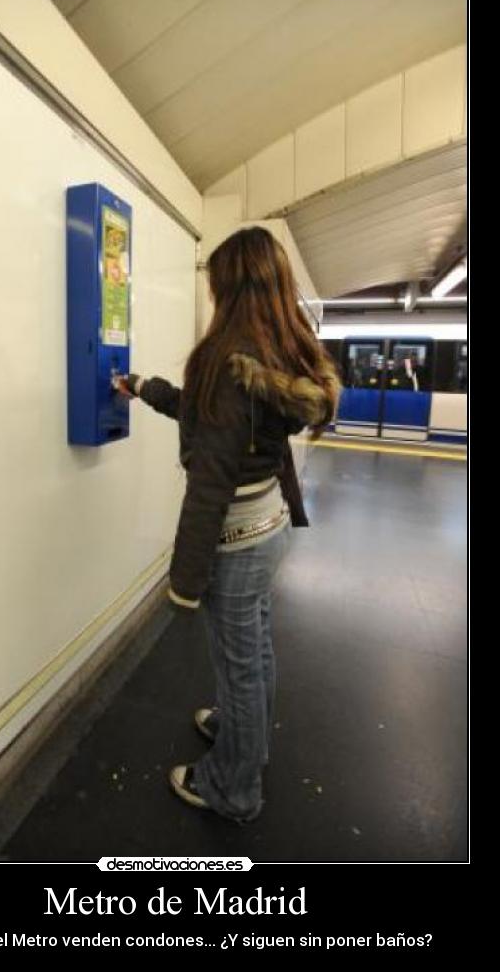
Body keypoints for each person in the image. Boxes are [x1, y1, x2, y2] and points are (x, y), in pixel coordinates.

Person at [116, 226, 340, 824]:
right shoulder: (279, 353)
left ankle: (234, 787)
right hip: (271, 526)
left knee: (239, 666)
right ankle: (246, 739)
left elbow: (210, 479)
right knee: (256, 650)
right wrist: (144, 388)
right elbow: (212, 416)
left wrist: (183, 582)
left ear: (231, 287)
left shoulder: (225, 358)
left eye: (215, 283)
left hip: (235, 541)